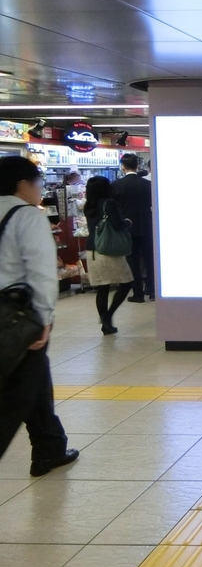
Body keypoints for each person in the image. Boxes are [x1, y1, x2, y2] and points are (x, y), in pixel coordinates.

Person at [0, 156, 78, 476]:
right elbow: (42, 270)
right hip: (17, 316)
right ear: (23, 184)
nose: (40, 192)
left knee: (34, 378)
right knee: (18, 390)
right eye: (38, 185)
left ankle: (50, 447)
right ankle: (49, 448)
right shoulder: (26, 216)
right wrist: (45, 319)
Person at [83, 177, 135, 335]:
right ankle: (108, 316)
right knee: (127, 282)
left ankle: (106, 323)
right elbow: (117, 225)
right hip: (107, 250)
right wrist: (128, 222)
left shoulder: (88, 205)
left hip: (91, 250)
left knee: (102, 287)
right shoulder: (109, 203)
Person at [111, 153, 154, 302]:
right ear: (137, 165)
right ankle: (153, 290)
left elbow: (113, 208)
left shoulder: (116, 185)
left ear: (123, 166)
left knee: (133, 261)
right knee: (150, 258)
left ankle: (138, 293)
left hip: (128, 228)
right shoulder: (147, 185)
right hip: (147, 225)